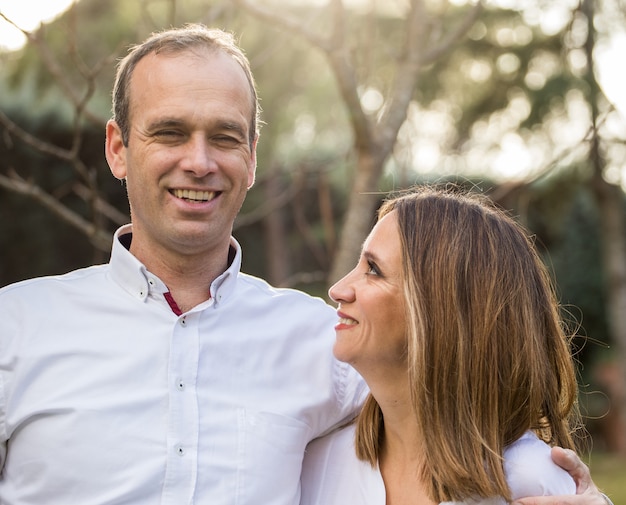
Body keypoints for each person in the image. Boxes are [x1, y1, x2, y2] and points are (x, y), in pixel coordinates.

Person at [0, 24, 607, 505]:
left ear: (253, 156)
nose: (200, 161)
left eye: (226, 136)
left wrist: (577, 492)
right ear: (117, 148)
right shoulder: (17, 326)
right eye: (170, 132)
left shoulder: (325, 343)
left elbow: (453, 400)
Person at [301, 186, 608, 505]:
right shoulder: (320, 462)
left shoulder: (532, 482)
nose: (338, 290)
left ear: (444, 312)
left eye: (373, 270)